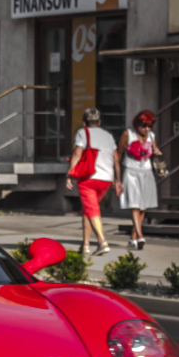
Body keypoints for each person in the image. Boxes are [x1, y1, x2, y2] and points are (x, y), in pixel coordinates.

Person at [65, 108, 118, 257]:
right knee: (88, 210)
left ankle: (102, 242)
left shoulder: (82, 133)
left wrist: (69, 174)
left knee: (92, 210)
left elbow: (77, 155)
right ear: (99, 122)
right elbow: (115, 158)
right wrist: (116, 179)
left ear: (84, 123)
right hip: (106, 180)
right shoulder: (108, 135)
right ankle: (86, 245)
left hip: (89, 178)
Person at [116, 110, 162, 250]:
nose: (146, 129)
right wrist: (116, 179)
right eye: (144, 126)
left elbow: (155, 150)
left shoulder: (151, 136)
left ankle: (133, 239)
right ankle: (141, 236)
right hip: (131, 172)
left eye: (149, 126)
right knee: (135, 204)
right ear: (137, 124)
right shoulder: (127, 134)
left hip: (147, 172)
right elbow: (117, 156)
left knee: (143, 207)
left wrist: (157, 154)